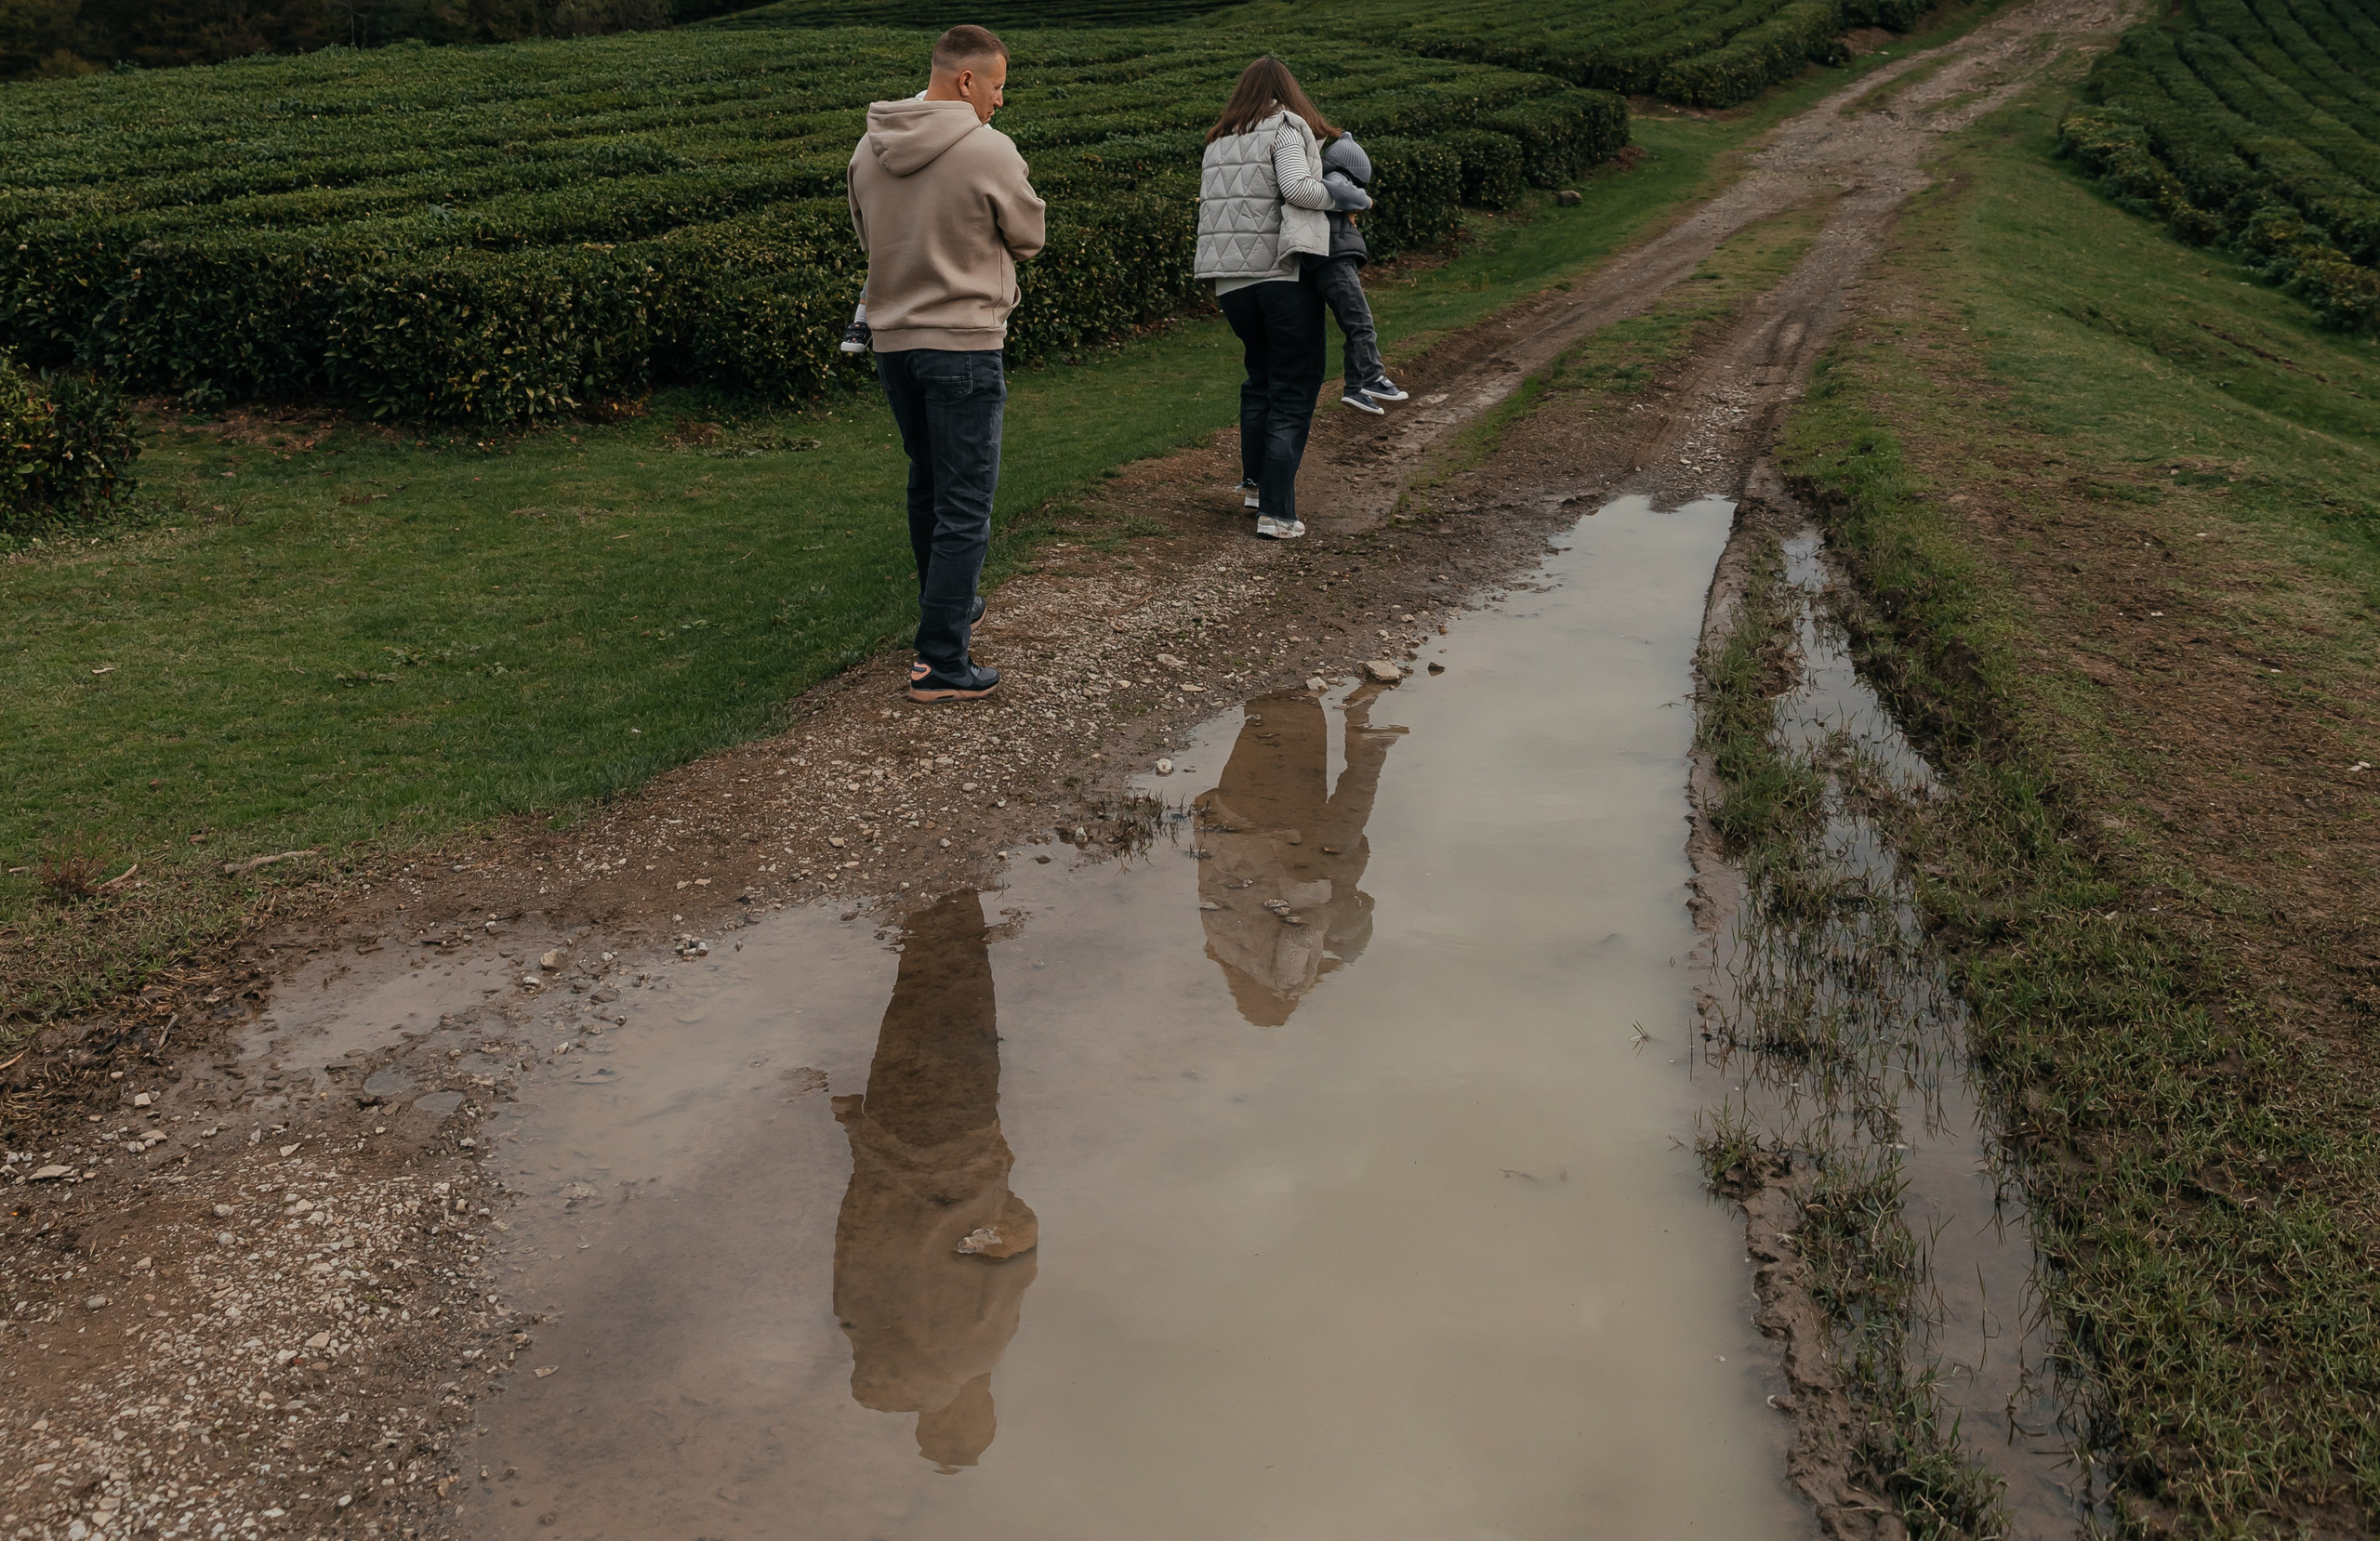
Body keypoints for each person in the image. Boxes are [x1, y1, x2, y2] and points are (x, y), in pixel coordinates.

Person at [848, 24, 1046, 703]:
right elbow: (1030, 236)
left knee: (928, 486)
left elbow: (866, 238)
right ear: (966, 81)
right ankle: (940, 663)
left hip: (894, 344)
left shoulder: (868, 149)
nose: (998, 102)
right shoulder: (988, 151)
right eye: (996, 87)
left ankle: (949, 610)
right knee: (965, 503)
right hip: (962, 342)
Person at [832, 889, 1038, 1470]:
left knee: (959, 992)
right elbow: (853, 1241)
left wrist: (1011, 1207)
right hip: (888, 1143)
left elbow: (1016, 1241)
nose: (991, 1398)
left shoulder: (977, 1350)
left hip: (963, 1145)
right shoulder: (864, 1334)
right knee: (912, 1004)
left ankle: (947, 882)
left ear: (956, 1418)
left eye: (986, 1412)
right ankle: (925, 890)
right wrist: (858, 1138)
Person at [1196, 57, 1365, 542]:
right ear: (1287, 92)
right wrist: (1347, 197)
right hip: (1279, 274)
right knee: (1294, 386)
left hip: (1230, 282)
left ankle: (1255, 488)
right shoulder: (1286, 127)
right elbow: (1298, 190)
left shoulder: (1219, 141)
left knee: (1262, 378)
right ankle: (1278, 512)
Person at [1194, 685, 1406, 1024]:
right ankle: (1362, 732)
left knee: (1342, 853)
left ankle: (1367, 744)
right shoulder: (1223, 951)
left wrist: (1337, 910)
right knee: (1285, 709)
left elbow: (1300, 933)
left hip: (1269, 834)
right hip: (1227, 820)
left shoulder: (1283, 981)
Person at [1310, 132, 1410, 415]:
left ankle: (1356, 390)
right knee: (1361, 322)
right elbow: (1342, 190)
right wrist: (1365, 202)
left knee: (1354, 327)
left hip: (1331, 261)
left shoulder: (1327, 174)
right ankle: (1373, 378)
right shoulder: (1335, 176)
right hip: (1335, 262)